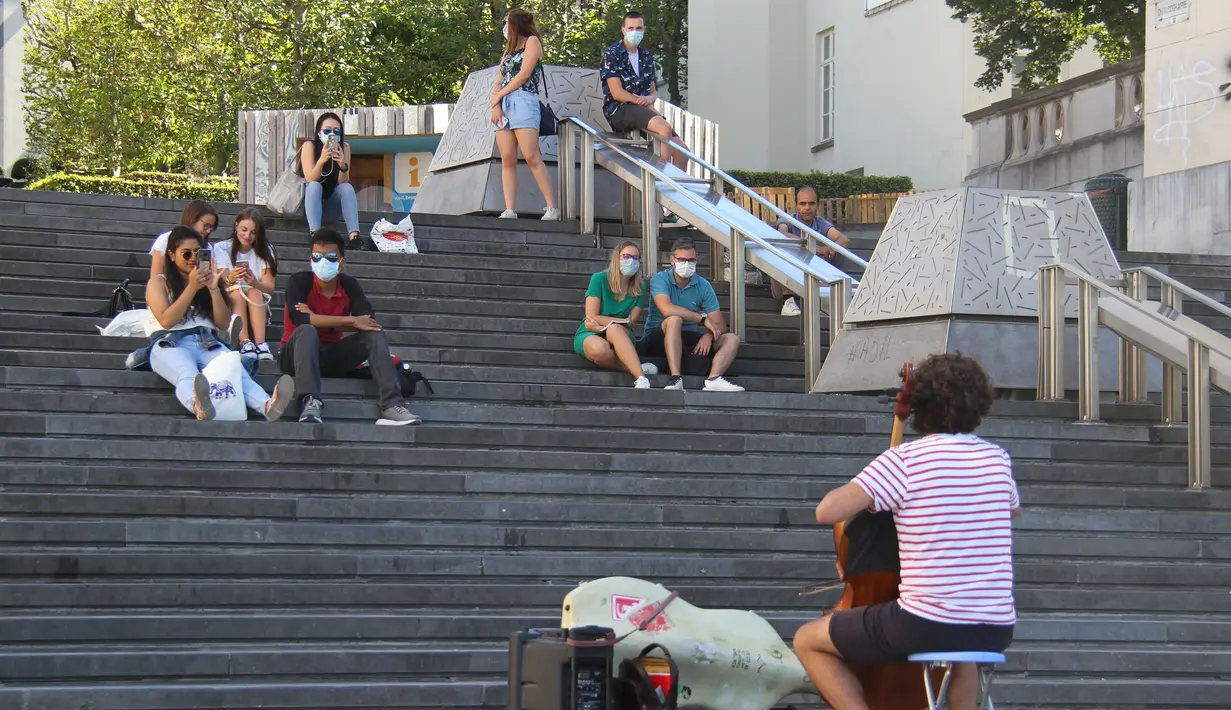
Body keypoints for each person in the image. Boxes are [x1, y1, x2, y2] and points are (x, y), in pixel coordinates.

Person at [792, 353, 1019, 710]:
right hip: (996, 627)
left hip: (926, 623)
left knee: (807, 640)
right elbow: (1012, 508)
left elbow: (827, 511)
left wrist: (873, 494)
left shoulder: (905, 461)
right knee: (962, 651)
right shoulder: (997, 458)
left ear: (919, 404)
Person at [144, 226, 294, 422]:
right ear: (171, 255)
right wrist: (191, 288)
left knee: (235, 371)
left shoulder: (210, 282)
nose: (192, 258)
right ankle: (198, 405)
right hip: (169, 342)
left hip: (208, 341)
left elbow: (222, 323)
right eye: (186, 253)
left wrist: (214, 289)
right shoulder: (159, 282)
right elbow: (166, 320)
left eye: (199, 253)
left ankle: (268, 405)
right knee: (187, 373)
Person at [279, 228, 421, 426]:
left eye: (330, 257)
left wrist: (317, 317)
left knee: (373, 333)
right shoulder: (299, 282)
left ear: (341, 263)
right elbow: (301, 320)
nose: (322, 262)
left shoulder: (349, 286)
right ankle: (309, 401)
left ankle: (391, 404)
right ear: (310, 259)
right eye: (317, 256)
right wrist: (351, 321)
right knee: (306, 331)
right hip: (294, 356)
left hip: (331, 357)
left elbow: (369, 320)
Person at [640, 237, 744, 392]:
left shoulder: (703, 285)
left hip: (688, 337)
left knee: (732, 339)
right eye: (682, 259)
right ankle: (675, 378)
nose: (687, 264)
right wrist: (702, 319)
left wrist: (708, 335)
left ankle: (713, 379)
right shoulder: (660, 279)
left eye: (691, 260)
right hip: (657, 337)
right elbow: (666, 309)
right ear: (672, 260)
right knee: (674, 320)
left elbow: (719, 323)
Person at [490, 8, 559, 221]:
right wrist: (496, 103)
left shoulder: (532, 42)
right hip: (504, 104)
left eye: (507, 23)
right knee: (507, 158)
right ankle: (509, 208)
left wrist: (499, 95)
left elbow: (524, 74)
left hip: (524, 99)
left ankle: (551, 207)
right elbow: (499, 78)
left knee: (531, 155)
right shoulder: (508, 50)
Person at [600, 11, 689, 171]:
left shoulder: (646, 56)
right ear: (623, 29)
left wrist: (649, 99)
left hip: (643, 109)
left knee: (683, 152)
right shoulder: (612, 54)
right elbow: (617, 93)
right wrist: (641, 100)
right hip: (620, 109)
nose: (635, 32)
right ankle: (662, 178)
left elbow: (653, 92)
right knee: (664, 129)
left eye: (638, 28)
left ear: (644, 29)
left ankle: (675, 193)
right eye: (631, 28)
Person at [575, 241, 658, 388]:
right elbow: (591, 317)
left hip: (621, 334)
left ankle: (641, 378)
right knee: (599, 350)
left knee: (614, 329)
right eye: (626, 256)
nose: (631, 261)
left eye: (635, 258)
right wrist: (619, 321)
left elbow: (631, 322)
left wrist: (607, 324)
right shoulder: (599, 279)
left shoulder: (640, 287)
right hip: (590, 331)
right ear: (617, 258)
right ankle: (633, 366)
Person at [772, 185, 854, 316]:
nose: (807, 208)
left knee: (840, 252)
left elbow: (843, 239)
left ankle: (833, 297)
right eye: (802, 203)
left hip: (812, 278)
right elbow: (782, 234)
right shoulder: (787, 220)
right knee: (785, 247)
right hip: (787, 282)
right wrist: (815, 249)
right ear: (796, 205)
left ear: (818, 205)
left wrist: (830, 250)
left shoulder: (820, 223)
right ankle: (788, 302)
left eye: (811, 203)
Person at [299, 112, 370, 251]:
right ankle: (315, 234)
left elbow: (343, 181)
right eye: (327, 130)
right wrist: (322, 160)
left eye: (336, 131)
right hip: (310, 205)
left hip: (331, 206)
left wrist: (342, 164)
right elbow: (310, 178)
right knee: (314, 186)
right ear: (319, 133)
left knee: (347, 187)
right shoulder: (310, 146)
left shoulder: (345, 148)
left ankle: (354, 236)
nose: (332, 134)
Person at [214, 208, 278, 361]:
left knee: (254, 291)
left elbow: (269, 287)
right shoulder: (222, 247)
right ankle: (245, 342)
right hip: (232, 299)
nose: (247, 236)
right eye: (244, 229)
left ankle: (261, 344)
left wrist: (255, 282)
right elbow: (220, 284)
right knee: (237, 291)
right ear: (236, 226)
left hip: (256, 299)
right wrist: (231, 278)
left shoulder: (266, 250)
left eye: (253, 232)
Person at [149, 200, 219, 279]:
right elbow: (155, 277)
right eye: (206, 225)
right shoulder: (165, 239)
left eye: (212, 227)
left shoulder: (207, 247)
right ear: (193, 219)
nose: (208, 230)